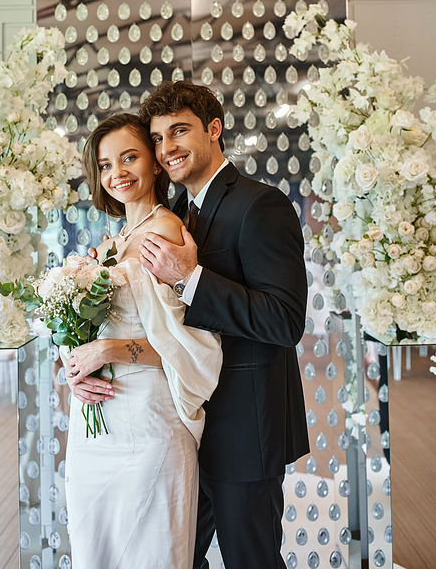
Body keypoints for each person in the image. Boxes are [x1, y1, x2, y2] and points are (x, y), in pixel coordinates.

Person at [138, 81, 309, 569]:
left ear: (213, 130)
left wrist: (191, 278)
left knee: (249, 559)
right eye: (157, 138)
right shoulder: (172, 215)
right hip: (186, 428)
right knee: (180, 557)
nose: (167, 148)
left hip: (243, 429)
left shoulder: (261, 205)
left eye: (179, 131)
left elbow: (285, 320)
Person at [63, 112, 222, 569]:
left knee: (149, 551)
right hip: (99, 425)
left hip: (149, 424)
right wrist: (76, 367)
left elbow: (189, 345)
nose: (118, 173)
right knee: (98, 549)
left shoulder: (164, 232)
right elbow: (93, 332)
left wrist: (109, 351)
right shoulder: (112, 243)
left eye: (129, 157)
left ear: (154, 163)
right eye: (106, 165)